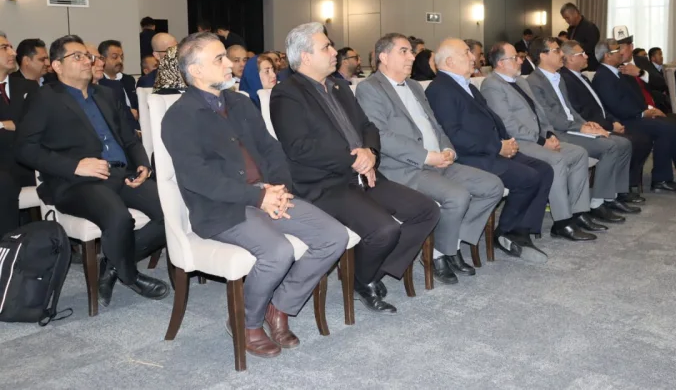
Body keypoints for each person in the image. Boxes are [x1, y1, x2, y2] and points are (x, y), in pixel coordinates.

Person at [162, 32, 346, 358]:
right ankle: (246, 322)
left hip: (266, 194)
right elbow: (198, 178)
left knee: (334, 236)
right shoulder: (180, 116)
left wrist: (279, 188)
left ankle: (280, 307)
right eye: (219, 59)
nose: (230, 64)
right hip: (222, 209)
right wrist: (258, 197)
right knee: (278, 252)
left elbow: (271, 149)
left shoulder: (239, 102)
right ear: (196, 70)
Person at [270, 22, 439, 314]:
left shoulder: (339, 86)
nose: (334, 52)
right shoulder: (287, 93)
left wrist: (370, 153)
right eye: (326, 47)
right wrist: (354, 159)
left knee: (426, 210)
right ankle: (364, 279)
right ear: (306, 57)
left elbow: (368, 127)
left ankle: (368, 273)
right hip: (324, 185)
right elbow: (300, 147)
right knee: (384, 229)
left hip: (363, 174)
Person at [15, 35, 168, 306]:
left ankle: (114, 262)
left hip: (121, 173)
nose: (87, 61)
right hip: (75, 181)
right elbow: (25, 149)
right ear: (57, 66)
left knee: (171, 211)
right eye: (77, 56)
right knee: (119, 219)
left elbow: (129, 139)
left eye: (87, 56)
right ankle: (130, 275)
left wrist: (142, 164)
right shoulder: (44, 98)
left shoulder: (106, 94)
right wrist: (76, 166)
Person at [356, 34, 505, 283]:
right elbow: (381, 135)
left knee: (492, 186)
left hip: (439, 160)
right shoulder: (370, 88)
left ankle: (451, 242)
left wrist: (448, 150)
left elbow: (435, 125)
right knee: (457, 196)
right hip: (406, 168)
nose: (412, 57)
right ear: (384, 57)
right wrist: (427, 156)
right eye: (404, 51)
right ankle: (438, 254)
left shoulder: (415, 86)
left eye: (411, 52)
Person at [425, 39, 556, 257]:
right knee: (528, 178)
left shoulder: (465, 85)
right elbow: (453, 135)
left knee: (544, 170)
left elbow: (491, 118)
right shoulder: (440, 89)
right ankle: (505, 232)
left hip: (490, 149)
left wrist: (507, 141)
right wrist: (497, 147)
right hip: (470, 157)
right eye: (466, 53)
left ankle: (521, 230)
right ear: (449, 61)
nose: (473, 57)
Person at [481, 42, 615, 237]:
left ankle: (579, 212)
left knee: (579, 153)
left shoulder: (520, 81)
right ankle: (562, 222)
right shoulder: (492, 85)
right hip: (519, 142)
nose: (520, 61)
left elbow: (540, 113)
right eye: (515, 58)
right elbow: (508, 124)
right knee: (557, 160)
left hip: (539, 138)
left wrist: (549, 134)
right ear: (501, 63)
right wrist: (541, 141)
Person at [526, 37, 639, 218]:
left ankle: (612, 196)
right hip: (558, 132)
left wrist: (585, 123)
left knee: (624, 143)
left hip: (571, 127)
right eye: (557, 51)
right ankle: (598, 202)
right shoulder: (534, 82)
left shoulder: (558, 78)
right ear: (542, 55)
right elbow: (548, 116)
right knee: (610, 146)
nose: (562, 54)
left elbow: (569, 109)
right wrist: (580, 127)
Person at [592, 39, 676, 193]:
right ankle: (673, 178)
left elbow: (638, 96)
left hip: (638, 114)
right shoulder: (603, 76)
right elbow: (615, 105)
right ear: (607, 56)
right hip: (625, 120)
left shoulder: (622, 71)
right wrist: (643, 113)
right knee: (668, 127)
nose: (621, 53)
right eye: (617, 50)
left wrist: (650, 109)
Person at [559, 40, 653, 199]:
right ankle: (610, 195)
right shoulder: (565, 80)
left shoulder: (582, 78)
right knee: (630, 141)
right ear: (570, 58)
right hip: (588, 127)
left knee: (638, 139)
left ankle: (619, 191)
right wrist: (609, 125)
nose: (586, 56)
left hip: (603, 122)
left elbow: (600, 106)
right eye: (581, 54)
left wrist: (613, 120)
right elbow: (581, 112)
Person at [0, 33, 39, 237]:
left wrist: (10, 125)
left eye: (11, 47)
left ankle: (55, 241)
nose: (13, 53)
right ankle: (8, 247)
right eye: (4, 48)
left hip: (29, 161)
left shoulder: (28, 87)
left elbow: (36, 125)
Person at [99, 39, 138, 118]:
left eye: (121, 57)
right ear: (102, 59)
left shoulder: (129, 79)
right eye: (115, 57)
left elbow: (137, 105)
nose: (120, 61)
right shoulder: (98, 82)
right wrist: (129, 114)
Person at [561, 3, 600, 71]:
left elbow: (591, 48)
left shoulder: (589, 27)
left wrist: (569, 43)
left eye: (567, 18)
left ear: (575, 13)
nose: (566, 21)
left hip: (588, 67)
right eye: (565, 19)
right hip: (575, 66)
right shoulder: (571, 28)